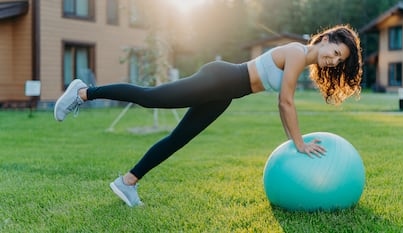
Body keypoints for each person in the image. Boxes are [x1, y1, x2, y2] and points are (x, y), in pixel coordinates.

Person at [54, 24, 362, 207]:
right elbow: (285, 103)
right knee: (151, 98)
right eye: (334, 51)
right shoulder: (296, 52)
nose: (333, 61)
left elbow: (285, 104)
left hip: (225, 93)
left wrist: (295, 140)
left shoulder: (301, 60)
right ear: (324, 39)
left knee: (178, 138)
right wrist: (299, 144)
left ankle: (128, 181)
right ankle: (84, 92)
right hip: (220, 79)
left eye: (339, 60)